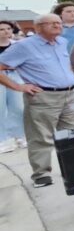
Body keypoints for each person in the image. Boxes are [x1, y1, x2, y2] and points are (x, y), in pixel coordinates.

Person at [0, 13, 74, 187]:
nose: (57, 26)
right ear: (38, 27)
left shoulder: (62, 42)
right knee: (41, 136)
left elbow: (65, 65)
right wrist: (18, 86)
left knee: (72, 134)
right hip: (44, 97)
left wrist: (72, 82)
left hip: (69, 95)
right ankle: (41, 174)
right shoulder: (23, 46)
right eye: (51, 23)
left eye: (59, 23)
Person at [0, 21, 26, 153]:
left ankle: (19, 135)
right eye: (2, 29)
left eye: (8, 28)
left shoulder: (17, 45)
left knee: (19, 107)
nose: (5, 31)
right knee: (0, 108)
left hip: (15, 75)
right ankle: (2, 140)